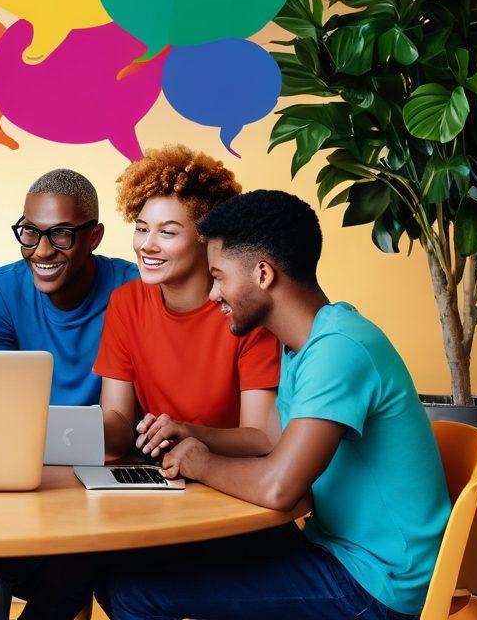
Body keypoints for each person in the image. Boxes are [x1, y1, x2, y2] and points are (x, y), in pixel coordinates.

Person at [102, 190, 451, 619]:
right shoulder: (305, 344)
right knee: (134, 566)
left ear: (263, 274)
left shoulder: (338, 350)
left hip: (377, 581)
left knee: (138, 593)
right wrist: (193, 433)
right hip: (331, 546)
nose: (213, 294)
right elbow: (271, 439)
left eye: (219, 277)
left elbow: (279, 488)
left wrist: (200, 461)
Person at [95, 146, 281, 461]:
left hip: (234, 479)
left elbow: (262, 438)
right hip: (163, 476)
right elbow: (119, 422)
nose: (146, 245)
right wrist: (64, 430)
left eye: (167, 232)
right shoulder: (126, 302)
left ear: (205, 237)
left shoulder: (247, 308)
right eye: (141, 229)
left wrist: (188, 432)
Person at [0, 168, 138, 406]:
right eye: (31, 231)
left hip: (111, 439)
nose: (42, 251)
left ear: (94, 237)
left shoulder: (132, 288)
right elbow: (5, 400)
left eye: (62, 233)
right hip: (32, 438)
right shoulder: (3, 291)